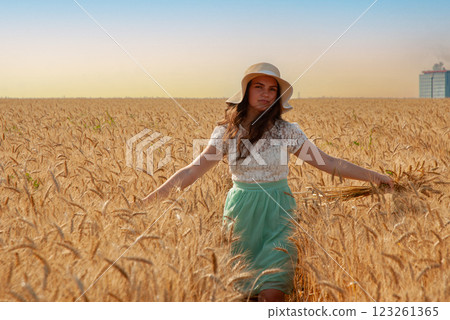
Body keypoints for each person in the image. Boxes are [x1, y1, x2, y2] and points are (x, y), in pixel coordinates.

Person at [140, 62, 394, 302]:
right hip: (241, 217)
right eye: (259, 87)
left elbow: (328, 162)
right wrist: (150, 200)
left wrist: (376, 177)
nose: (266, 94)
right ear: (246, 92)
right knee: (239, 293)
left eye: (272, 89)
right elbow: (193, 170)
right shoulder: (227, 132)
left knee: (273, 294)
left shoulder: (288, 132)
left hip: (279, 214)